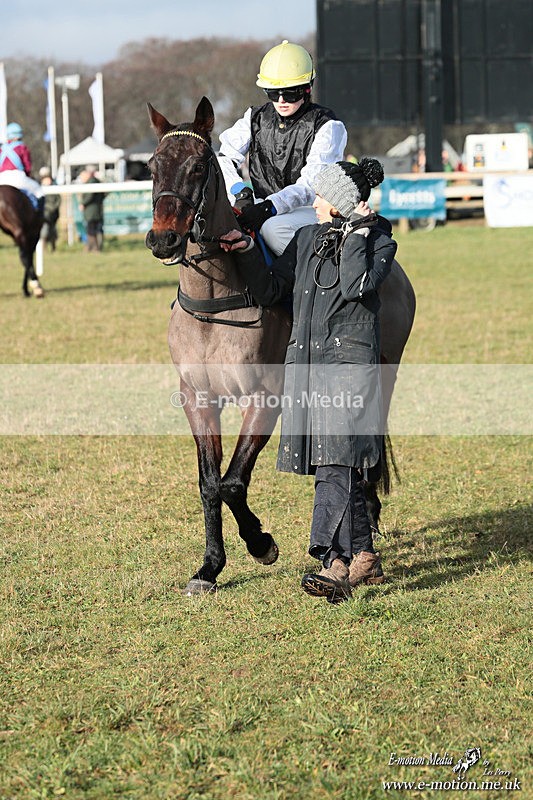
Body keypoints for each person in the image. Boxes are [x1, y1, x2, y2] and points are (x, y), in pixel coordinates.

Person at [220, 158, 397, 603]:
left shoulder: (378, 241)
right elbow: (273, 291)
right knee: (332, 461)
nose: (314, 203)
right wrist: (245, 251)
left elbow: (357, 283)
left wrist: (355, 232)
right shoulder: (306, 238)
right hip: (308, 365)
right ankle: (364, 557)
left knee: (337, 461)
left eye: (322, 196)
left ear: (339, 203)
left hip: (350, 367)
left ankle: (333, 564)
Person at [218, 40, 347, 256]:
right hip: (263, 206)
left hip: (312, 210)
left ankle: (309, 284)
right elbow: (224, 157)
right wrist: (238, 191)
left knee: (273, 229)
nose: (281, 101)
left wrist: (270, 207)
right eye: (273, 93)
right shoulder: (254, 117)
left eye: (290, 93)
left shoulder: (328, 125)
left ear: (308, 88)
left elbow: (311, 185)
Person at [0, 122, 42, 206]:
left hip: (1, 178)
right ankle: (40, 216)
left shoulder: (1, 149)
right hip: (18, 177)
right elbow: (27, 167)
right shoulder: (22, 147)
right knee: (39, 192)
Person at [78, 165, 106, 252]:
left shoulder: (92, 182)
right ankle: (91, 247)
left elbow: (89, 196)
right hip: (96, 210)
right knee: (95, 229)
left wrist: (83, 203)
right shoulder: (97, 181)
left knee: (91, 230)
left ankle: (94, 248)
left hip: (91, 211)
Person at [39, 167, 61, 251]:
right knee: (44, 230)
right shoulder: (39, 187)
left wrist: (53, 208)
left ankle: (53, 247)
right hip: (45, 213)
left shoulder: (54, 186)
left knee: (52, 231)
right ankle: (43, 247)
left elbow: (58, 200)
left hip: (53, 214)